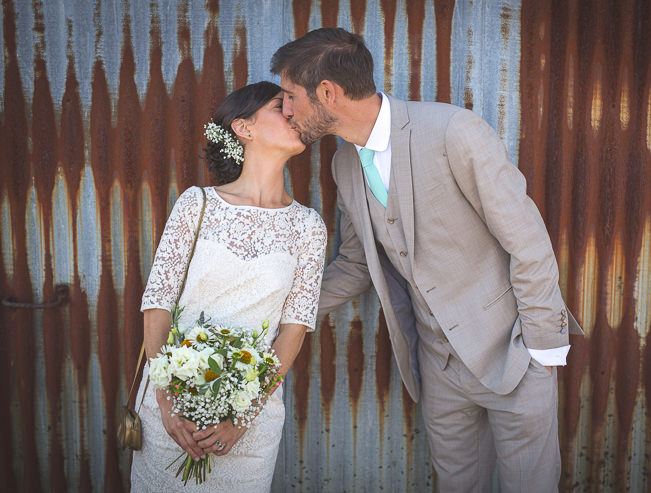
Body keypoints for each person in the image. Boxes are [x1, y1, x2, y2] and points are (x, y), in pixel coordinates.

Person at [271, 28, 583, 492]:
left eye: (291, 96)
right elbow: (356, 265)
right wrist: (277, 309)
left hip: (514, 353)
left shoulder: (453, 131)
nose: (286, 110)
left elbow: (528, 240)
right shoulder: (344, 165)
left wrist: (540, 347)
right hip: (439, 368)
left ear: (328, 93)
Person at [129, 81, 327, 492]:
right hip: (172, 409)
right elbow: (158, 303)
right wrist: (167, 407)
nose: (293, 113)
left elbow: (294, 328)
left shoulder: (309, 226)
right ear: (244, 128)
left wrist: (242, 416)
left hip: (249, 423)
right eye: (280, 106)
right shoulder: (195, 204)